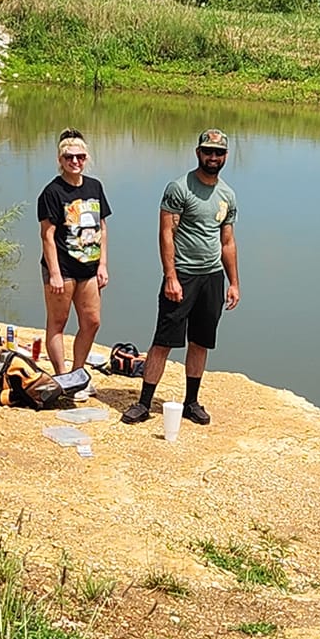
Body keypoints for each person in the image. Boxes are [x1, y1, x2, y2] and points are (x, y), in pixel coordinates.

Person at [121, 129, 239, 427]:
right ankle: (144, 403)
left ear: (225, 156)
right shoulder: (179, 188)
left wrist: (234, 282)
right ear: (198, 152)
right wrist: (170, 276)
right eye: (208, 151)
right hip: (182, 276)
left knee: (200, 342)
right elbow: (166, 233)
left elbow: (227, 241)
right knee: (163, 342)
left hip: (211, 278)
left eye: (219, 152)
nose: (213, 157)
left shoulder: (227, 194)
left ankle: (192, 402)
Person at [36, 130, 110, 375]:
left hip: (89, 266)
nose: (75, 162)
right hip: (63, 267)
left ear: (86, 157)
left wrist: (102, 265)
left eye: (80, 157)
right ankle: (61, 375)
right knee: (58, 323)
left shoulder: (94, 186)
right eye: (69, 157)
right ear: (60, 160)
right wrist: (54, 273)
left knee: (92, 321)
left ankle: (78, 373)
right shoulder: (52, 192)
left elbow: (102, 227)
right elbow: (47, 235)